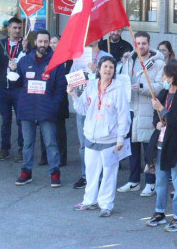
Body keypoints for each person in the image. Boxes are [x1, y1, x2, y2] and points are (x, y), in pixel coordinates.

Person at [70, 56, 130, 217]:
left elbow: (124, 116)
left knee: (109, 173)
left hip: (110, 139)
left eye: (111, 67)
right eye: (105, 67)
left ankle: (106, 204)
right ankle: (89, 201)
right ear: (99, 68)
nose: (108, 70)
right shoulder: (91, 86)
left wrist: (120, 138)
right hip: (91, 137)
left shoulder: (118, 89)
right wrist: (74, 95)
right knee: (91, 172)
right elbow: (83, 109)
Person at [14, 30, 67, 188]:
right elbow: (18, 85)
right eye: (40, 41)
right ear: (35, 42)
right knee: (27, 143)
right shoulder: (24, 61)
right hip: (27, 108)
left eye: (46, 42)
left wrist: (53, 105)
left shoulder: (56, 62)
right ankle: (26, 172)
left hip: (47, 108)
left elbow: (60, 87)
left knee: (51, 143)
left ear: (49, 42)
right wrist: (12, 71)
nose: (43, 45)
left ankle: (55, 172)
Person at [145, 64, 177, 232]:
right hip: (161, 143)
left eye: (164, 76)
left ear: (171, 77)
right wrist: (156, 122)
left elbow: (176, 121)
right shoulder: (163, 93)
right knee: (160, 181)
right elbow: (155, 116)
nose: (162, 79)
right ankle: (159, 212)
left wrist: (162, 110)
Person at [117, 31, 165, 196]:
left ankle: (151, 183)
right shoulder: (130, 60)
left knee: (149, 149)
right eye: (138, 43)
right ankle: (133, 180)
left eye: (144, 43)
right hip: (131, 109)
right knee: (132, 148)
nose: (141, 46)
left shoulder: (159, 63)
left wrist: (143, 88)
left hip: (147, 110)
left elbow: (160, 86)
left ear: (149, 43)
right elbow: (122, 79)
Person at [72, 44, 112, 189]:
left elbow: (112, 79)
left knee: (101, 143)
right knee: (84, 144)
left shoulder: (106, 56)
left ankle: (101, 178)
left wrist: (96, 72)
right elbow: (72, 79)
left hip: (100, 107)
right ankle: (86, 176)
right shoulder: (78, 56)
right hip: (83, 104)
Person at [0, 17, 26, 162]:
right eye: (14, 28)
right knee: (6, 120)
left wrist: (27, 49)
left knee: (21, 120)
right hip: (3, 88)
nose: (17, 31)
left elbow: (29, 62)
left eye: (19, 28)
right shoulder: (1, 43)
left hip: (18, 89)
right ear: (8, 29)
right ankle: (5, 149)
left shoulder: (24, 44)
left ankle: (22, 150)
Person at [48, 35, 71, 167]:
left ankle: (62, 158)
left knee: (59, 129)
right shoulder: (46, 57)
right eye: (50, 42)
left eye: (54, 42)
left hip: (61, 97)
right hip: (47, 97)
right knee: (45, 127)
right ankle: (45, 157)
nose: (52, 45)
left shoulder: (67, 58)